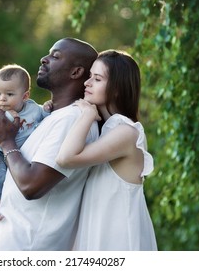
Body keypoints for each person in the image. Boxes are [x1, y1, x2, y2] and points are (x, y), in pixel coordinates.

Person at [0, 37, 98, 250]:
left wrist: (6, 141)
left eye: (55, 56)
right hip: (13, 242)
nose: (44, 59)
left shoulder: (73, 120)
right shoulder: (47, 117)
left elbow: (31, 186)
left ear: (75, 72)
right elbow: (16, 163)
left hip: (32, 247)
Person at [56, 49, 157, 250]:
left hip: (118, 240)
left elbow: (65, 158)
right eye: (90, 76)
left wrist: (86, 114)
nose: (87, 82)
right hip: (98, 235)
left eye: (97, 78)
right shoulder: (106, 130)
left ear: (117, 88)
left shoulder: (126, 133)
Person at [0, 64, 51, 222]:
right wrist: (8, 121)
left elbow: (43, 116)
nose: (2, 98)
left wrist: (47, 109)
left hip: (15, 151)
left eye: (9, 94)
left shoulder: (32, 108)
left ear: (25, 96)